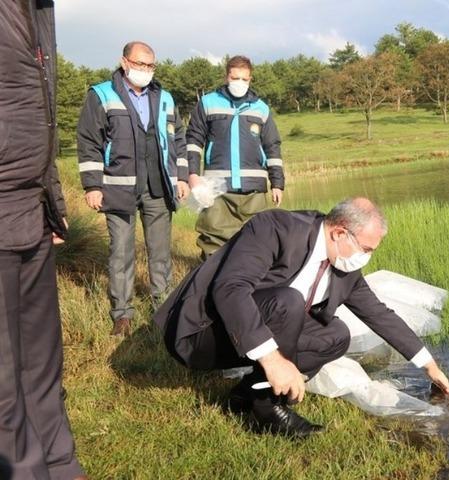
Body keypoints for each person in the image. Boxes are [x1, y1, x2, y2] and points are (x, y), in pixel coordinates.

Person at [153, 198, 449, 437]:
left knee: (335, 335)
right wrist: (274, 361)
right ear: (339, 232)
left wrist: (429, 365)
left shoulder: (344, 268)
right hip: (201, 334)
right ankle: (268, 409)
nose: (366, 257)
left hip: (255, 331)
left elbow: (379, 315)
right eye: (365, 249)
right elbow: (230, 289)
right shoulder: (275, 228)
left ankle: (245, 395)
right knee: (288, 301)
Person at [0, 1, 88, 478]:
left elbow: (41, 122)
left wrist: (51, 200)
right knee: (3, 378)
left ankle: (60, 462)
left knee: (41, 362)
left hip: (29, 209)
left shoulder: (37, 9)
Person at [77, 41, 188, 336]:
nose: (146, 71)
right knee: (121, 252)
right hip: (118, 189)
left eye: (151, 66)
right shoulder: (101, 95)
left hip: (158, 187)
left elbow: (178, 141)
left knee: (160, 253)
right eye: (140, 64)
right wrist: (92, 185)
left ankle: (163, 307)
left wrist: (183, 177)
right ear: (124, 62)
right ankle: (122, 314)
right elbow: (89, 141)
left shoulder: (164, 97)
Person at [185, 55, 285, 258]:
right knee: (214, 242)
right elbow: (193, 142)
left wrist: (277, 183)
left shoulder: (261, 109)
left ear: (251, 79)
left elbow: (272, 147)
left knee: (256, 243)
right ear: (226, 77)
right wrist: (193, 175)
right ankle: (210, 286)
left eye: (244, 79)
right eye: (235, 78)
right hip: (218, 187)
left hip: (253, 189)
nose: (239, 83)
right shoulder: (207, 103)